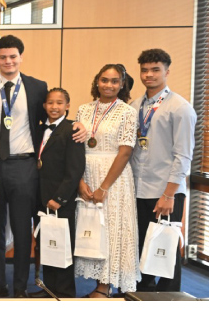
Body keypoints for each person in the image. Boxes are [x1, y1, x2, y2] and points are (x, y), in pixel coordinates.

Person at [0, 35, 86, 298]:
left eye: (13, 56)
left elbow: (53, 117)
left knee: (23, 231)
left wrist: (77, 123)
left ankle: (20, 286)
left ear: (21, 57)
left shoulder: (37, 87)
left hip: (25, 167)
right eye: (3, 57)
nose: (8, 61)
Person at [130, 49, 196, 292]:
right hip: (139, 189)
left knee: (166, 247)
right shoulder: (135, 106)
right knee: (142, 245)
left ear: (167, 72)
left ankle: (170, 296)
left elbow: (183, 155)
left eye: (155, 70)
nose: (149, 75)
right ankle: (143, 292)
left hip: (165, 191)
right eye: (145, 70)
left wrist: (169, 194)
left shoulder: (180, 108)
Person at [75, 64, 140, 297]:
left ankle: (105, 286)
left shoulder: (127, 112)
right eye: (104, 80)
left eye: (114, 81)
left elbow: (125, 152)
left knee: (111, 228)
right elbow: (75, 148)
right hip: (86, 173)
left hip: (114, 178)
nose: (109, 85)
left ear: (122, 84)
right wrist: (80, 182)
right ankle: (98, 282)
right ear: (97, 81)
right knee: (92, 227)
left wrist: (104, 187)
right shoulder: (83, 110)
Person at [29, 88, 84, 298]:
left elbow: (75, 169)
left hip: (61, 199)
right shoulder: (39, 129)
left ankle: (65, 291)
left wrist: (60, 198)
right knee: (47, 244)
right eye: (50, 103)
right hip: (41, 197)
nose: (54, 107)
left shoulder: (72, 130)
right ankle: (49, 289)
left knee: (62, 245)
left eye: (59, 103)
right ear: (44, 105)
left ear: (67, 106)